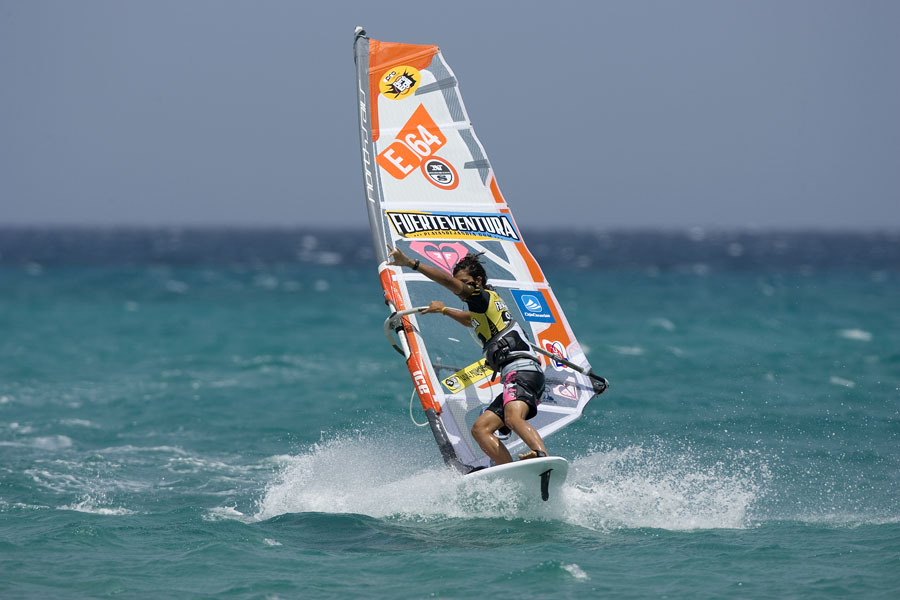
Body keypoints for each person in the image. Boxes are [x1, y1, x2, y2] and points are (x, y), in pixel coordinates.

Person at [388, 246, 548, 465]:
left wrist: (410, 263)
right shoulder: (486, 302)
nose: (460, 286)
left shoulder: (479, 295)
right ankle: (511, 471)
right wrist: (444, 310)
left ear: (478, 281)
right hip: (520, 374)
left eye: (464, 281)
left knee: (512, 418)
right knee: (481, 428)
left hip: (522, 371)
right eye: (459, 282)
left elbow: (446, 281)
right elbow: (470, 320)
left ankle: (540, 453)